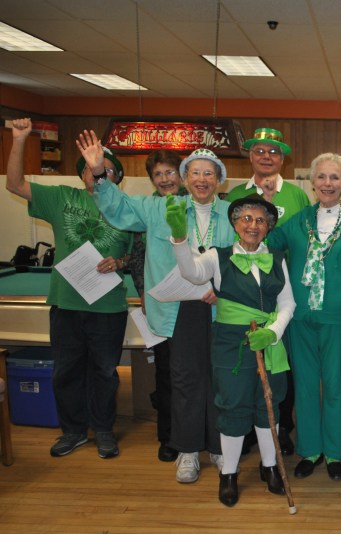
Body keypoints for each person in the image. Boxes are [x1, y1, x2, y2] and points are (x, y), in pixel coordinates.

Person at [90, 146, 236, 484]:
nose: (202, 179)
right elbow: (118, 209)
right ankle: (186, 450)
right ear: (185, 178)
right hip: (177, 307)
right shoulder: (159, 208)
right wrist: (99, 172)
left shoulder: (232, 213)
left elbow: (244, 255)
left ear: (219, 180)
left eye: (209, 173)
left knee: (219, 378)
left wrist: (224, 287)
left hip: (220, 307)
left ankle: (217, 445)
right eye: (195, 173)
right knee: (184, 380)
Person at [5, 118, 131, 460]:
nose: (96, 173)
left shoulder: (128, 209)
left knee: (105, 373)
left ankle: (103, 430)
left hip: (108, 306)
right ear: (81, 175)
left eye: (103, 168)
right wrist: (19, 140)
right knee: (66, 371)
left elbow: (142, 254)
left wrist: (120, 263)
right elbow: (15, 184)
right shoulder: (61, 198)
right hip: (66, 303)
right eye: (90, 168)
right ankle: (74, 431)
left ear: (116, 177)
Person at [168, 195, 295, 506]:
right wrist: (180, 238)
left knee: (268, 406)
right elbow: (191, 273)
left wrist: (272, 332)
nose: (253, 225)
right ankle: (229, 474)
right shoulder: (217, 256)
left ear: (268, 227)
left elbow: (288, 303)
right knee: (233, 406)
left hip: (269, 342)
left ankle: (270, 469)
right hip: (230, 345)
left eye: (260, 220)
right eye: (246, 219)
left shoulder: (278, 258)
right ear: (236, 224)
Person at [267, 153, 341, 481]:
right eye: (322, 177)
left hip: (339, 317)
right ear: (313, 183)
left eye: (334, 178)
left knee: (333, 384)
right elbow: (267, 243)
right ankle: (310, 449)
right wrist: (266, 208)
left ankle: (335, 451)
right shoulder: (298, 220)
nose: (328, 183)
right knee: (307, 385)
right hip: (301, 316)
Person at [226, 127, 310, 456]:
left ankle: (281, 428)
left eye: (273, 152)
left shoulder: (297, 196)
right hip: (244, 297)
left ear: (283, 159)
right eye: (260, 151)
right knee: (246, 366)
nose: (266, 157)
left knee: (281, 364)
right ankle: (247, 431)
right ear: (250, 156)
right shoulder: (236, 195)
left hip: (282, 294)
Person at [128, 149, 185, 463]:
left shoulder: (198, 203)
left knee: (196, 374)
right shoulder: (148, 210)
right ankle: (169, 437)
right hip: (162, 305)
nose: (165, 179)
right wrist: (144, 296)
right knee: (166, 374)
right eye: (158, 174)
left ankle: (198, 433)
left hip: (197, 306)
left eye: (170, 172)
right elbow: (138, 258)